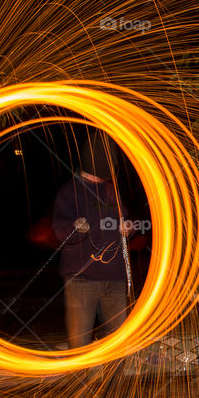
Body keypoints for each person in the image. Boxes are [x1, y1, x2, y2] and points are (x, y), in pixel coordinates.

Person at [51, 133, 132, 349]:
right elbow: (60, 231)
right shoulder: (70, 192)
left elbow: (126, 220)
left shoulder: (111, 191)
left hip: (115, 279)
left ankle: (112, 383)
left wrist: (128, 228)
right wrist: (76, 228)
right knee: (80, 344)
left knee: (116, 345)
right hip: (81, 281)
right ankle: (81, 383)